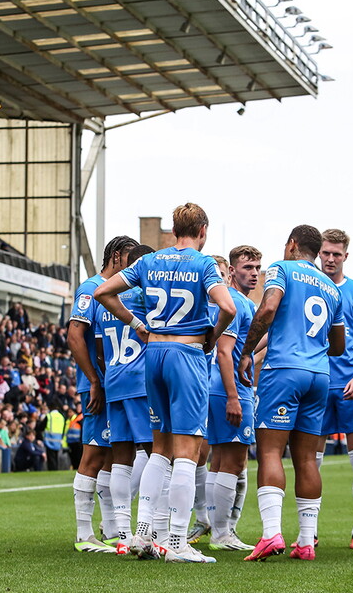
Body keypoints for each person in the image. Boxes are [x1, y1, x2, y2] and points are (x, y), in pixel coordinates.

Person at [96, 203, 235, 564]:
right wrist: (211, 336)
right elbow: (229, 308)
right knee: (187, 450)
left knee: (159, 447)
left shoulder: (148, 261)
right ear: (202, 231)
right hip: (185, 355)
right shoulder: (203, 264)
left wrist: (136, 324)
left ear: (174, 230)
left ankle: (142, 534)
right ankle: (176, 540)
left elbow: (103, 293)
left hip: (153, 355)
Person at [238, 225, 345, 562]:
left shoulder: (282, 269)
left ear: (293, 244)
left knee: (270, 451)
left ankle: (271, 534)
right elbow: (339, 345)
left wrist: (246, 350)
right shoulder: (332, 286)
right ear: (317, 252)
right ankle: (306, 541)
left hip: (284, 369)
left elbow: (268, 309)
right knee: (306, 458)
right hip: (319, 375)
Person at [66, 235, 138, 553]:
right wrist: (94, 380)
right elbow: (75, 335)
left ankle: (111, 530)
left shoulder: (121, 293)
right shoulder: (90, 288)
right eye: (131, 259)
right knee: (94, 453)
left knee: (112, 456)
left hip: (114, 384)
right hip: (98, 386)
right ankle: (84, 535)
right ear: (118, 257)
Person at [315, 229, 353, 550]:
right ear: (319, 252)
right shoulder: (310, 286)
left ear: (345, 257)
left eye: (336, 254)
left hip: (351, 385)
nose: (330, 259)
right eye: (326, 253)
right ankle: (308, 531)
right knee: (312, 459)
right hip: (317, 383)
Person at [202, 245, 263, 552]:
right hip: (229, 388)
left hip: (211, 386)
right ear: (232, 271)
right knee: (235, 461)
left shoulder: (222, 302)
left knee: (219, 460)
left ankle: (216, 528)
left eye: (256, 268)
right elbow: (225, 352)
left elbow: (243, 348)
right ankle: (221, 533)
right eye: (247, 267)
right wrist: (233, 397)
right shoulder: (236, 303)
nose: (253, 273)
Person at [95, 244, 155, 553]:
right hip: (141, 383)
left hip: (114, 380)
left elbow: (101, 349)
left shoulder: (109, 300)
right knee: (157, 454)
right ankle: (152, 528)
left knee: (121, 459)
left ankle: (121, 536)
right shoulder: (146, 296)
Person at [43, 401, 68, 471]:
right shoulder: (61, 416)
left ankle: (52, 470)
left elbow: (41, 426)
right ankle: (56, 469)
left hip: (49, 440)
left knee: (51, 458)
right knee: (56, 457)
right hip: (58, 440)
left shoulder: (49, 416)